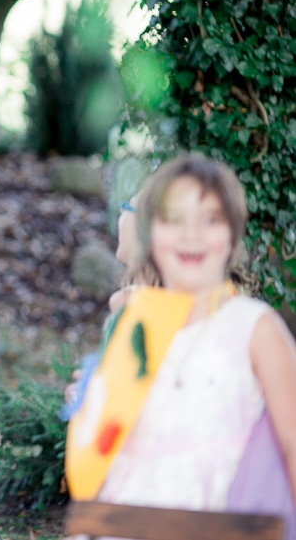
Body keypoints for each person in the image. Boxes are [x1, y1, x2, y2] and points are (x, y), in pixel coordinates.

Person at [65, 154, 296, 533]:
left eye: (211, 219)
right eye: (174, 219)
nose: (192, 234)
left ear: (232, 234)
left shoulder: (255, 329)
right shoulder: (131, 323)